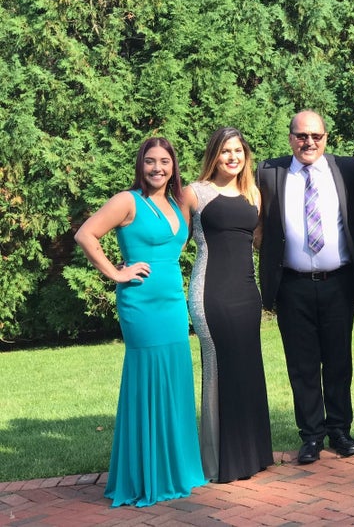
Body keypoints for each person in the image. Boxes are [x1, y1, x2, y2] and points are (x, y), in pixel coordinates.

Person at [74, 138, 206, 507]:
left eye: (165, 161)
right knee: (148, 377)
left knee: (174, 377)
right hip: (141, 302)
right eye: (150, 162)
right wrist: (116, 273)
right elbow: (86, 234)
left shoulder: (177, 203)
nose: (158, 168)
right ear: (140, 165)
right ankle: (146, 474)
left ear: (173, 165)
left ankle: (175, 469)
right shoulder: (127, 200)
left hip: (173, 302)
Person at [256, 110, 354, 464]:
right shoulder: (270, 172)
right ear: (290, 138)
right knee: (301, 364)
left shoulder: (347, 169)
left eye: (316, 136)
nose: (309, 142)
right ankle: (312, 436)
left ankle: (340, 430)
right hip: (293, 285)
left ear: (326, 138)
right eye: (301, 136)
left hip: (339, 282)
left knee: (338, 360)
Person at [185, 127, 274, 483]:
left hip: (246, 296)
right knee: (219, 371)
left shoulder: (252, 193)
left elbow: (260, 241)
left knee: (248, 370)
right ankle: (218, 462)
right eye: (225, 151)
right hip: (211, 296)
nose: (232, 157)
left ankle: (251, 456)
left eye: (238, 151)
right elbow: (170, 236)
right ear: (214, 156)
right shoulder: (194, 193)